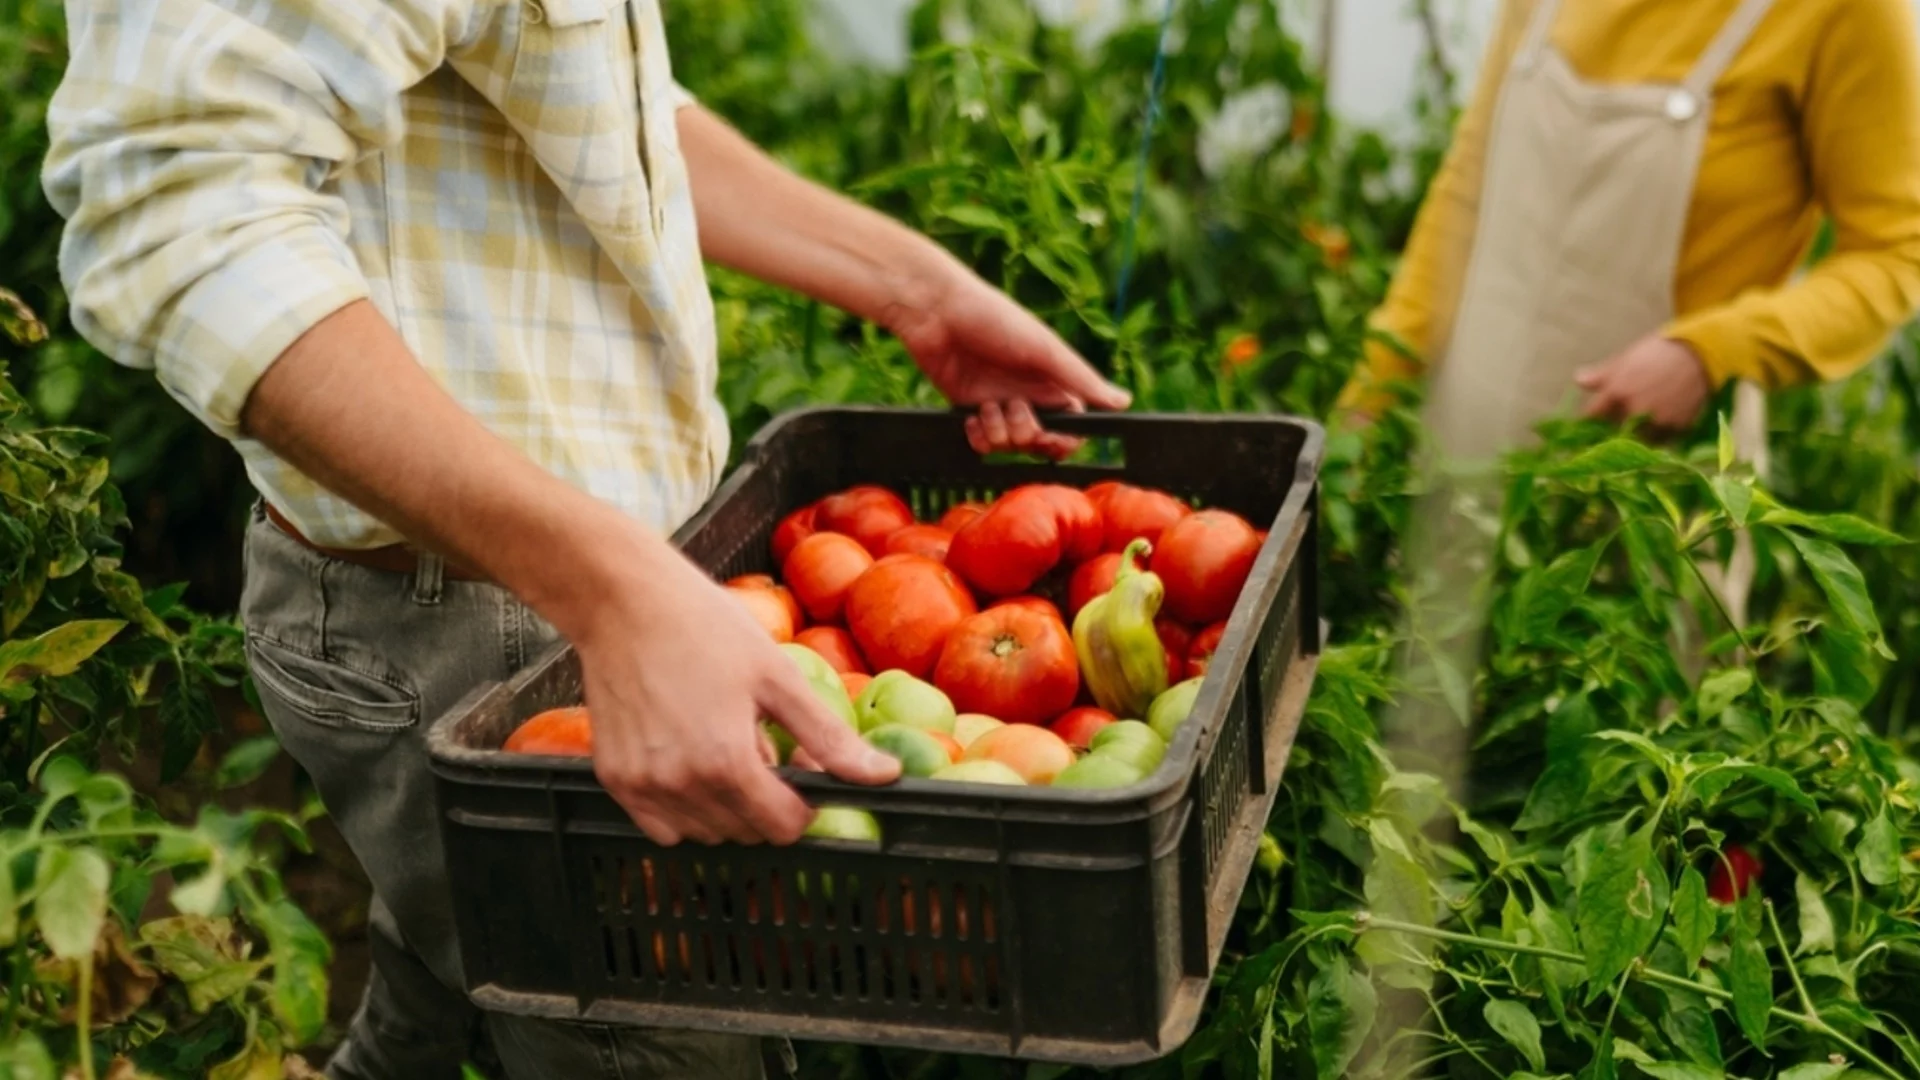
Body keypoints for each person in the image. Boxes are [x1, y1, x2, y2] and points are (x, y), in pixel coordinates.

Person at [42, 1, 1130, 1076]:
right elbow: (177, 209)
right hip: (483, 617)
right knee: (648, 1038)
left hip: (581, 593)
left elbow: (606, 109)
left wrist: (916, 291)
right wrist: (614, 595)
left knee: (451, 981)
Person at [1337, 0, 1920, 470]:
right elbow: (1469, 191)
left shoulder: (1846, 11)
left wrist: (1710, 352)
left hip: (1651, 500)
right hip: (1459, 456)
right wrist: (1371, 398)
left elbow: (1897, 252)